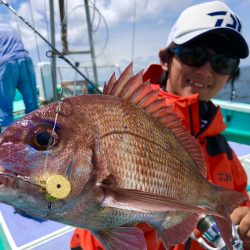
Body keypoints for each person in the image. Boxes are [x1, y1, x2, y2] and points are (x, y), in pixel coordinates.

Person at [70, 1, 250, 249]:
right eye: (194, 55)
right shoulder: (125, 122)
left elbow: (241, 200)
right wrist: (130, 221)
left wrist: (243, 223)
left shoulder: (222, 149)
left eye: (223, 63)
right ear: (166, 59)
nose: (207, 71)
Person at [0, 23, 38, 133]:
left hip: (7, 64)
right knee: (33, 108)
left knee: (5, 110)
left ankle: (6, 146)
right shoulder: (9, 27)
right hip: (26, 61)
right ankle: (40, 141)